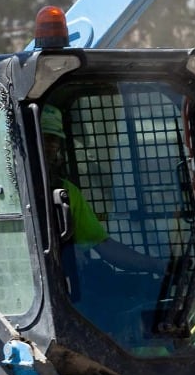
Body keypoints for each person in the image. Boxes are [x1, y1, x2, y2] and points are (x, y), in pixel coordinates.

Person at [40, 104, 164, 274]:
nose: (49, 146)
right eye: (43, 138)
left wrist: (156, 265)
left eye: (53, 139)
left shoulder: (67, 191)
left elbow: (103, 246)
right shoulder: (8, 194)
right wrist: (60, 252)